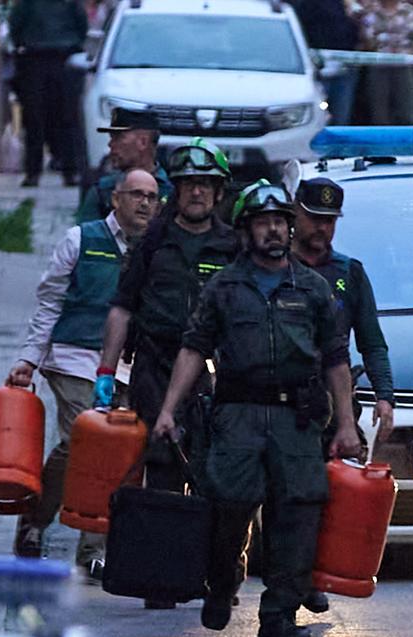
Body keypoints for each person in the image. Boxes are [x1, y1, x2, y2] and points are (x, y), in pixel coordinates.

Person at [152, 182, 362, 637]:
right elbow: (193, 349)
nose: (273, 230)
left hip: (297, 418)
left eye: (280, 222)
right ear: (246, 230)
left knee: (297, 513)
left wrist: (345, 423)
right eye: (263, 222)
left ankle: (279, 615)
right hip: (238, 416)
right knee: (227, 508)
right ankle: (221, 583)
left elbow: (335, 359)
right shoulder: (224, 287)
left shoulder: (312, 288)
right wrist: (168, 410)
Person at [98, 140, 238, 607]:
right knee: (160, 471)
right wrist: (106, 369)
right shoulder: (153, 243)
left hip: (216, 378)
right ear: (175, 191)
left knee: (216, 477)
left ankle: (218, 575)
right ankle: (162, 580)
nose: (197, 193)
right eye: (188, 185)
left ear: (219, 193)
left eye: (205, 185)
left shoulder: (233, 246)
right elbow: (122, 308)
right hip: (156, 368)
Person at [7, 169, 159, 569]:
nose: (145, 203)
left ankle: (84, 542)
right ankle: (48, 524)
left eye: (152, 197)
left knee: (115, 452)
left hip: (128, 365)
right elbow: (49, 303)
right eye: (136, 195)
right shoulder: (81, 239)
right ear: (116, 199)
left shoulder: (158, 249)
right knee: (85, 438)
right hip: (74, 357)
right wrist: (28, 358)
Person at [291, 178, 395, 448]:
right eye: (314, 218)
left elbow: (372, 342)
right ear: (295, 212)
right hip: (284, 405)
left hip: (335, 403)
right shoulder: (276, 267)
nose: (322, 228)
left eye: (330, 221)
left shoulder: (349, 273)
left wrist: (384, 396)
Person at [8, 0, 87, 187]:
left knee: (39, 118)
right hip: (56, 58)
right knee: (61, 118)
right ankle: (67, 171)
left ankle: (37, 172)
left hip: (39, 59)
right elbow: (82, 27)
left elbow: (15, 26)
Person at [76, 108, 173, 225]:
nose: (110, 144)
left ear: (143, 142)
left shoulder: (173, 192)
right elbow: (85, 237)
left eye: (118, 137)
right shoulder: (103, 191)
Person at [294, 0, 364, 125]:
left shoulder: (349, 4)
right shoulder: (307, 4)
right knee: (318, 113)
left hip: (345, 65)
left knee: (341, 114)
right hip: (318, 65)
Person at [362, 0, 413, 125]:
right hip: (378, 66)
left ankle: (405, 142)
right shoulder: (371, 11)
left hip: (403, 65)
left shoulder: (408, 11)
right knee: (379, 112)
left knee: (406, 112)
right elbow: (369, 41)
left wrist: (385, 37)